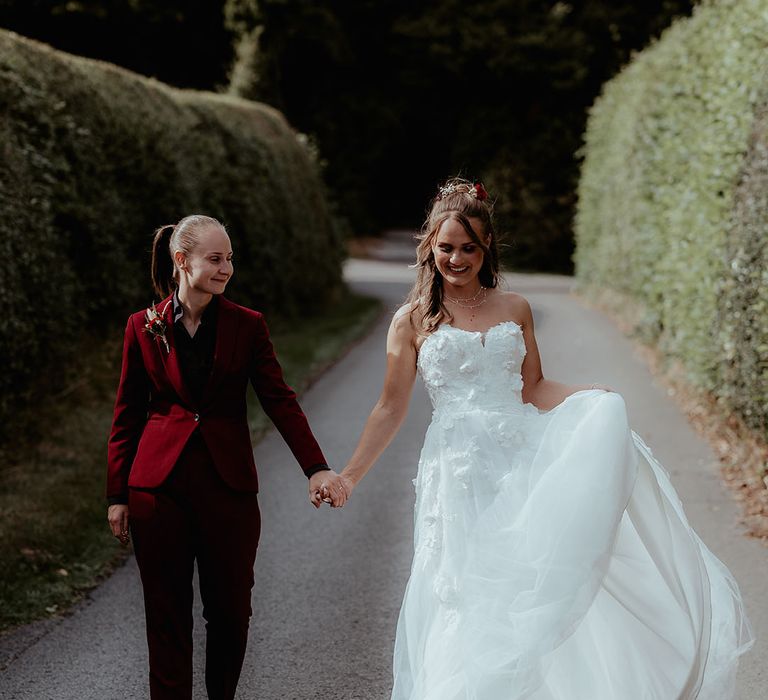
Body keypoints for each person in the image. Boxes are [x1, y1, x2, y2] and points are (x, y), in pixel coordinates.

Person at [327, 178, 756, 699]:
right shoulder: (412, 320)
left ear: (487, 249)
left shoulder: (515, 308)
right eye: (446, 247)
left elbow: (532, 388)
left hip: (519, 462)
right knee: (463, 590)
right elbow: (390, 407)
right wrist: (350, 475)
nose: (457, 259)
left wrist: (591, 397)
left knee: (527, 587)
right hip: (457, 474)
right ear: (429, 248)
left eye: (469, 248)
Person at [105, 214, 347, 700]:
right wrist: (117, 495)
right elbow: (127, 415)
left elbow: (279, 399)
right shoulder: (142, 326)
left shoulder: (247, 327)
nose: (226, 269)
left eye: (229, 259)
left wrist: (316, 466)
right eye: (215, 259)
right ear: (182, 261)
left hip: (228, 491)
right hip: (157, 492)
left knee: (231, 613)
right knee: (166, 616)